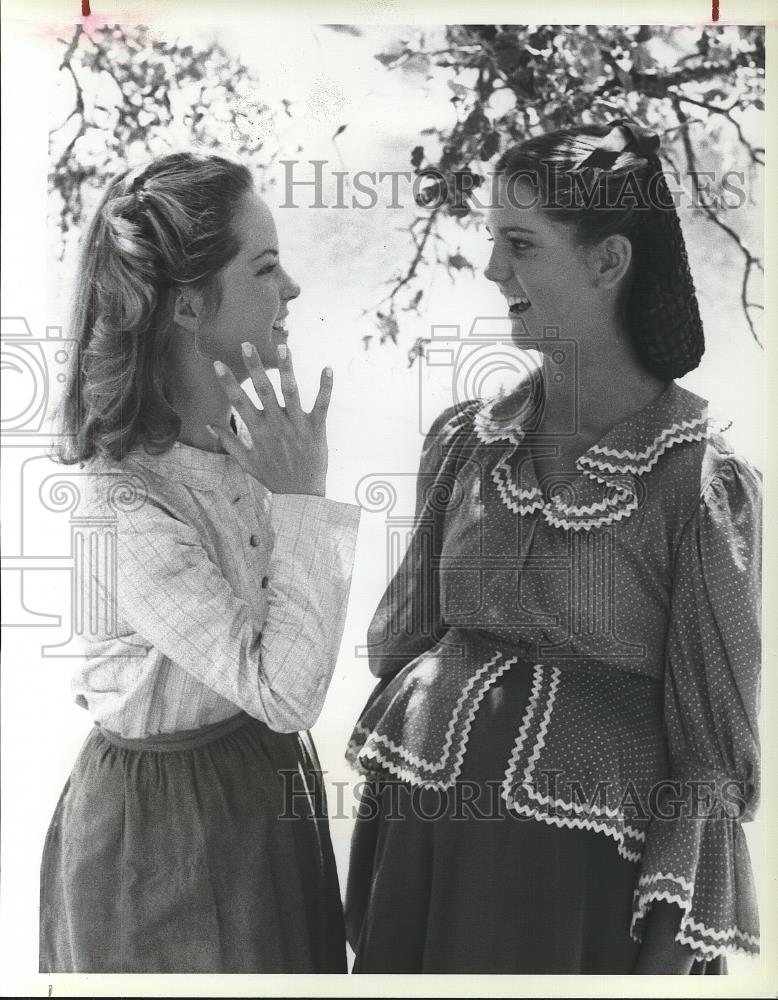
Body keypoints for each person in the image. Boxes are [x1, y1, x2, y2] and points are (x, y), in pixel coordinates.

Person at [345, 122, 761, 974]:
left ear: (609, 262)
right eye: (494, 242)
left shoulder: (695, 485)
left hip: (579, 905)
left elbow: (709, 770)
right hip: (424, 875)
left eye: (521, 245)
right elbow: (399, 650)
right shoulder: (465, 440)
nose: (495, 272)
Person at [39, 151, 360, 973]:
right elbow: (287, 692)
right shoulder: (121, 505)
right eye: (265, 267)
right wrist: (303, 500)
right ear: (187, 305)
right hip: (156, 838)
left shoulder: (246, 444)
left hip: (261, 791)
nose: (290, 290)